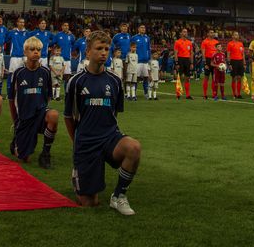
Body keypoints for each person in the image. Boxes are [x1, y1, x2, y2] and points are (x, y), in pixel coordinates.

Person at [64, 30, 142, 215]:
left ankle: (119, 195)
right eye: (99, 48)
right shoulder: (76, 82)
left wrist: (109, 132)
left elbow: (114, 113)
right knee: (90, 202)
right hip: (86, 141)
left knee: (134, 148)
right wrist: (77, 141)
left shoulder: (115, 81)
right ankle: (79, 175)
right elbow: (68, 116)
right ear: (88, 51)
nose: (104, 52)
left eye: (107, 49)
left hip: (109, 137)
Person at [9, 36, 61, 168]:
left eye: (38, 49)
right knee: (23, 157)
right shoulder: (18, 73)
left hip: (40, 114)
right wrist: (16, 121)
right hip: (24, 118)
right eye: (32, 49)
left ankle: (45, 153)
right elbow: (11, 99)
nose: (36, 52)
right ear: (25, 52)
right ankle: (17, 139)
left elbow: (48, 96)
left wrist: (40, 108)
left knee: (54, 115)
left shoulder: (45, 72)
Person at [132, 24, 152, 98]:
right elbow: (131, 48)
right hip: (137, 61)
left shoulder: (147, 38)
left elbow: (149, 49)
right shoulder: (134, 38)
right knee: (135, 78)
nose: (143, 29)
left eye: (144, 28)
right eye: (141, 28)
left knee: (146, 77)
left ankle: (146, 93)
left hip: (146, 61)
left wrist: (149, 58)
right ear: (138, 29)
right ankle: (134, 93)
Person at [173, 29, 194, 100]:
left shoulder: (189, 42)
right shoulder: (177, 42)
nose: (185, 33)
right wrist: (176, 62)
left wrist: (191, 63)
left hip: (187, 60)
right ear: (181, 33)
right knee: (180, 77)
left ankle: (188, 95)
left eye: (186, 32)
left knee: (187, 78)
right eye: (184, 32)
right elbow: (175, 53)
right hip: (180, 59)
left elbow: (191, 53)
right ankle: (178, 94)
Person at [200, 29, 220, 99]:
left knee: (214, 78)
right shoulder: (204, 42)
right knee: (206, 77)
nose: (212, 34)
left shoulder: (216, 42)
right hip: (208, 60)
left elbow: (218, 52)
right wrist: (205, 63)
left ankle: (214, 94)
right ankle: (205, 94)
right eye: (211, 32)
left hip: (215, 61)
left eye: (213, 32)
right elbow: (203, 53)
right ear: (208, 34)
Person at [226, 32, 245, 99]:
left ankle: (238, 94)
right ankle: (234, 94)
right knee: (234, 78)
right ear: (233, 36)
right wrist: (229, 63)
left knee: (239, 78)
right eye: (236, 35)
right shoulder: (230, 44)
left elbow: (243, 54)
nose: (237, 36)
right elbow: (228, 54)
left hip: (240, 61)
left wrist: (244, 63)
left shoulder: (241, 44)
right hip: (233, 61)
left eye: (238, 35)